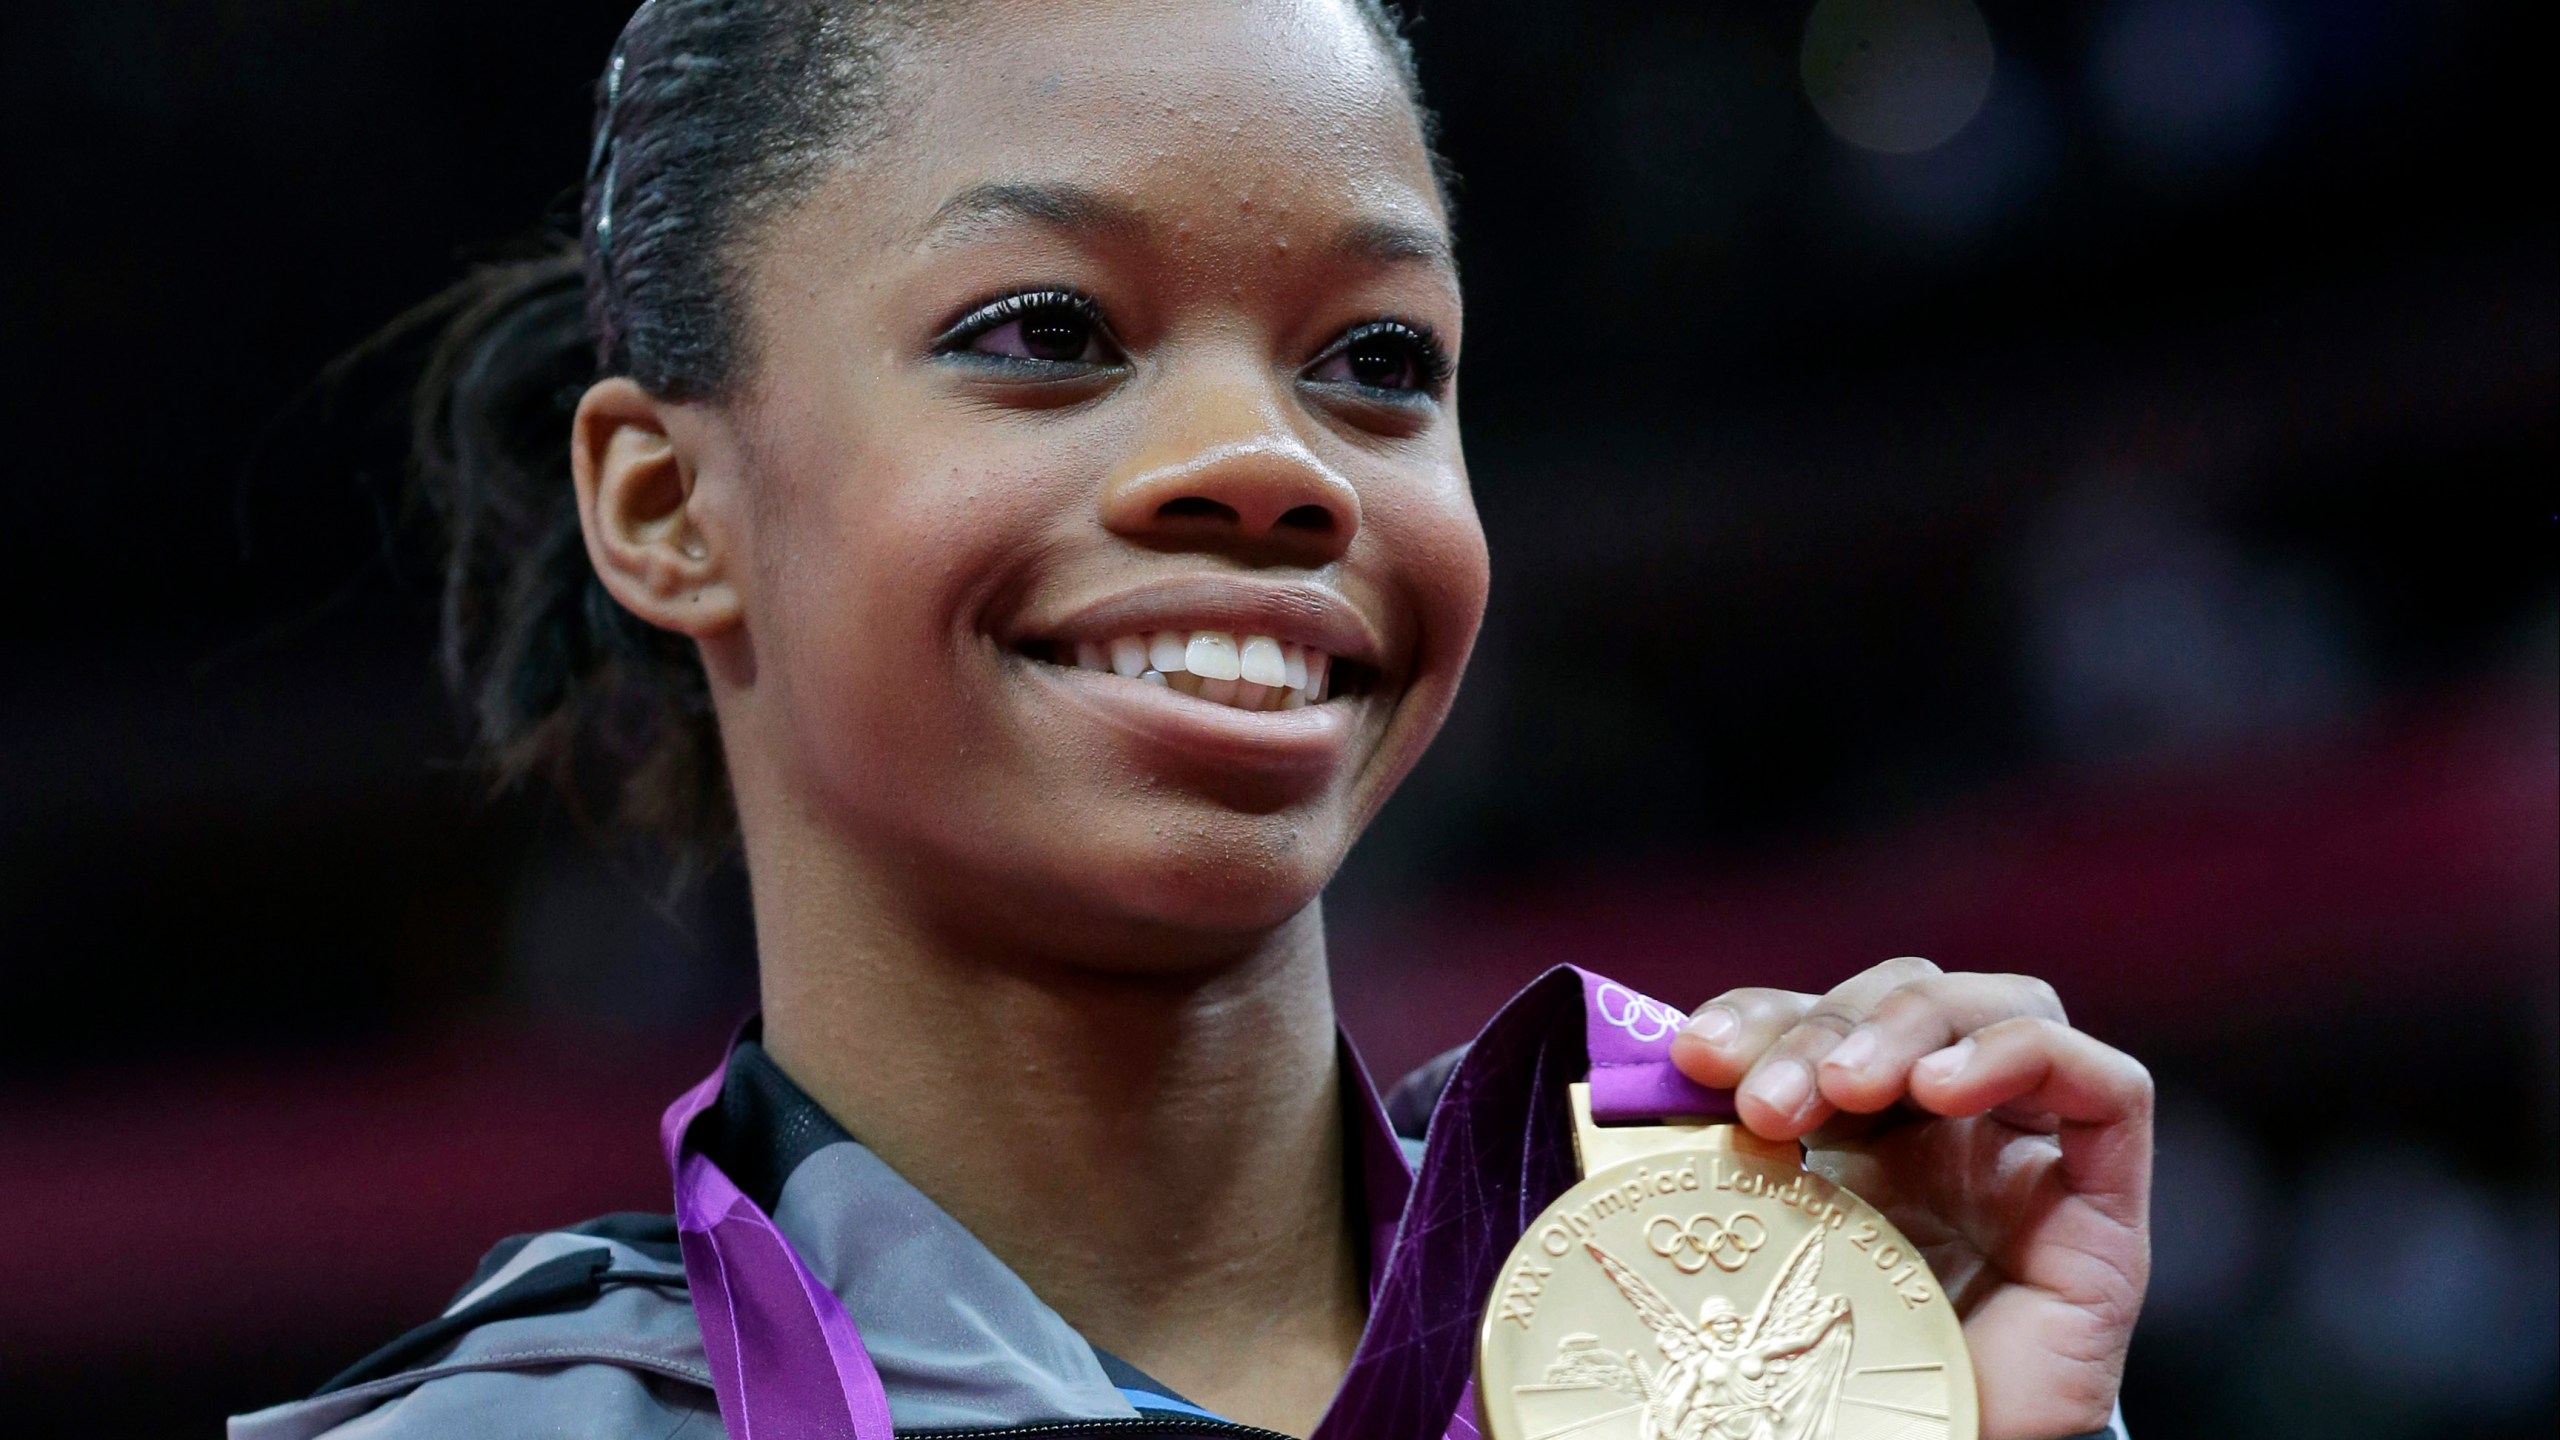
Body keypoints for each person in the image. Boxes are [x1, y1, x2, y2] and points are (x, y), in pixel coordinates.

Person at [228, 2, 2151, 1437]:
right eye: (1045, 332)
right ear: (667, 505)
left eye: (1376, 363)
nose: (1272, 464)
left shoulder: (1748, 1346)